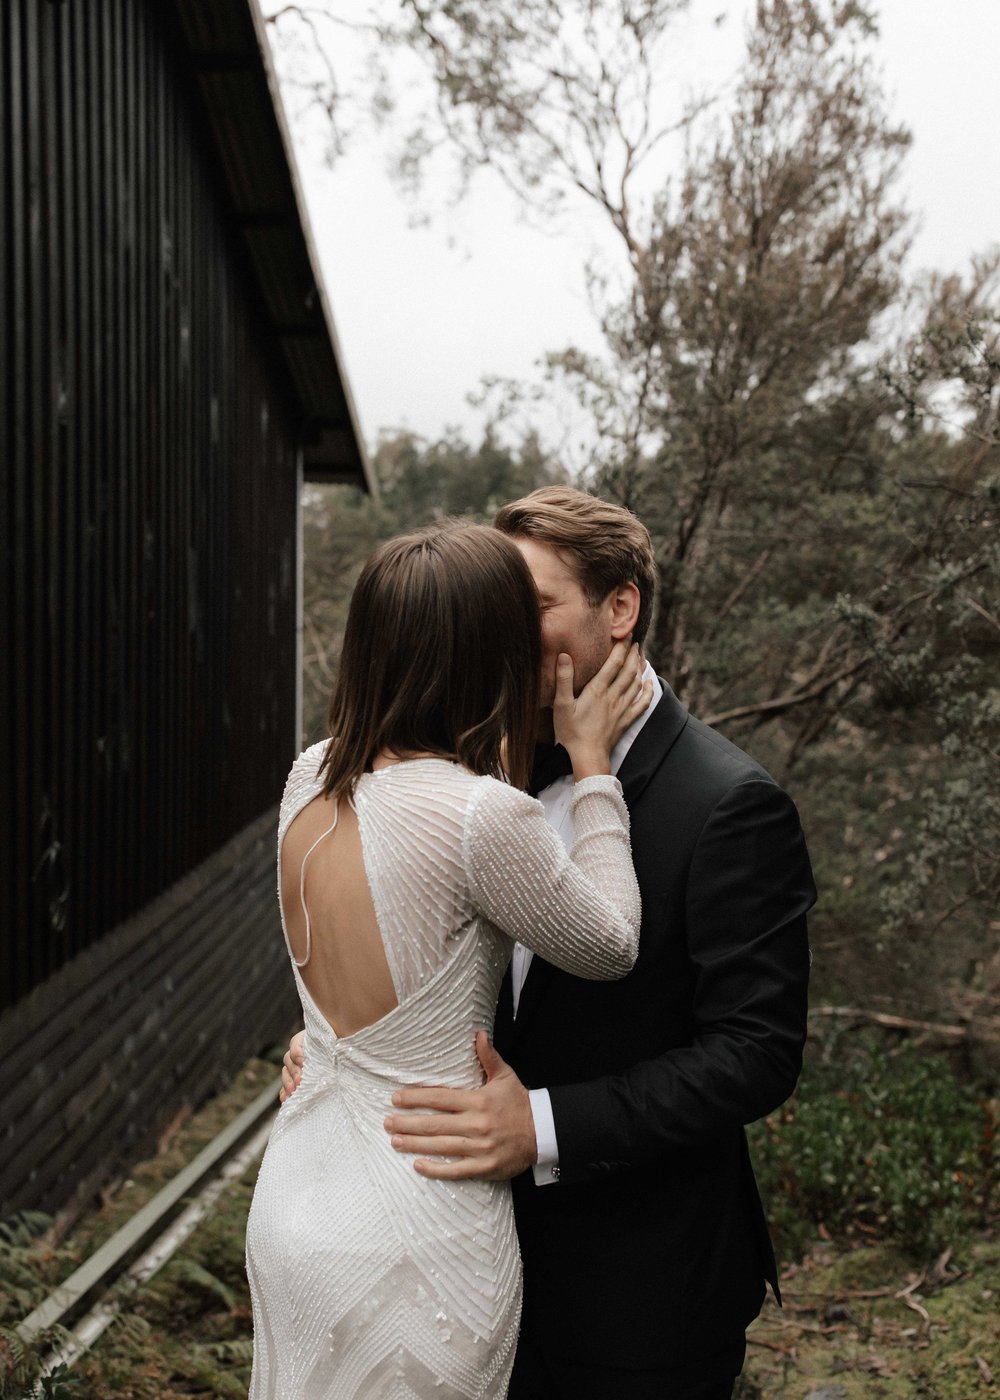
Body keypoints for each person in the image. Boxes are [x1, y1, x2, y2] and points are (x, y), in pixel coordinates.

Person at [283, 487, 816, 1400]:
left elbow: (754, 1054)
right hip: (442, 1255)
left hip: (632, 1300)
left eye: (528, 607)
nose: (498, 632)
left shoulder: (728, 803)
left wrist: (539, 1124)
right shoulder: (466, 766)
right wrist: (346, 1040)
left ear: (620, 610)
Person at [246, 521, 653, 1400]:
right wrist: (591, 771)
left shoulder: (307, 776)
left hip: (297, 1195)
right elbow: (612, 946)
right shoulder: (481, 817)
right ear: (490, 651)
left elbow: (365, 970)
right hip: (419, 1214)